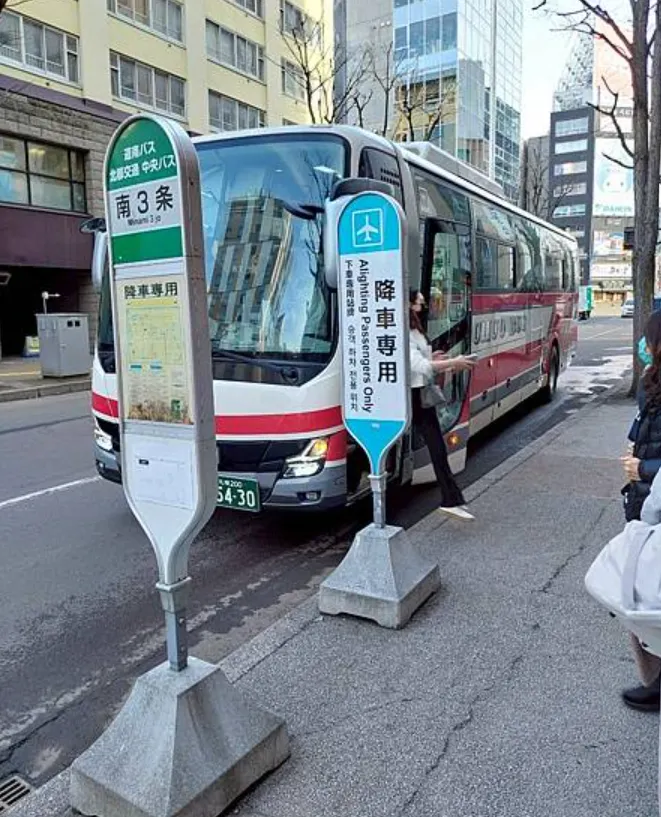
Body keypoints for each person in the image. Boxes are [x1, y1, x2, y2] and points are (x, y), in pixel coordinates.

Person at [620, 313, 661, 711]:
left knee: (645, 599)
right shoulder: (651, 382)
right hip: (644, 498)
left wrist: (643, 469)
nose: (642, 346)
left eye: (648, 340)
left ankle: (655, 683)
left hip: (654, 508)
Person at [409, 290, 476, 520]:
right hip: (412, 396)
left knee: (437, 446)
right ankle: (451, 498)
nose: (423, 301)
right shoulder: (400, 330)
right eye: (418, 298)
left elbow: (424, 361)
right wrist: (451, 362)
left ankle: (452, 498)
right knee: (436, 446)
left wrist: (440, 360)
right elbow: (418, 365)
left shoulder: (414, 326)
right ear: (407, 303)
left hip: (421, 392)